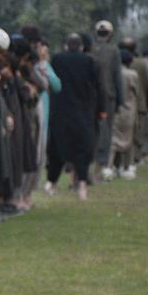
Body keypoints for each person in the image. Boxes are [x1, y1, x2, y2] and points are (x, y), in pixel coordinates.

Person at [44, 33, 106, 200]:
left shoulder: (57, 60)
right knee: (83, 149)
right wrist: (102, 110)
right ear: (82, 47)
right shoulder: (90, 62)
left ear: (66, 46)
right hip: (83, 112)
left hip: (60, 112)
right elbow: (99, 87)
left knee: (57, 148)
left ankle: (51, 183)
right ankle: (82, 187)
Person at [91, 20, 123, 181]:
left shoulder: (90, 50)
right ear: (110, 34)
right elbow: (117, 77)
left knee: (92, 132)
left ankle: (91, 170)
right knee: (105, 134)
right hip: (108, 98)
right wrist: (120, 100)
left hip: (91, 97)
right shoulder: (114, 51)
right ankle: (99, 170)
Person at [110, 49, 142, 179]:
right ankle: (127, 167)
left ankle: (110, 166)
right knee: (129, 139)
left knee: (113, 139)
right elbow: (137, 93)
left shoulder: (113, 73)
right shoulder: (132, 74)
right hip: (130, 109)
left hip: (115, 109)